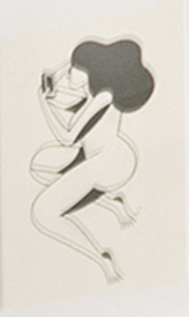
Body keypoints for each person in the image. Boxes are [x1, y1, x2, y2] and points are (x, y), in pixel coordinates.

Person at [27, 35, 158, 280]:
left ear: (90, 72)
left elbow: (68, 136)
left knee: (43, 212)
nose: (68, 75)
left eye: (74, 70)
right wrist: (53, 97)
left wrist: (42, 102)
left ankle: (102, 258)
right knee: (39, 167)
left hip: (108, 164)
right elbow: (73, 113)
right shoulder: (95, 94)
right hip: (105, 155)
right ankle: (112, 202)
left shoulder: (103, 97)